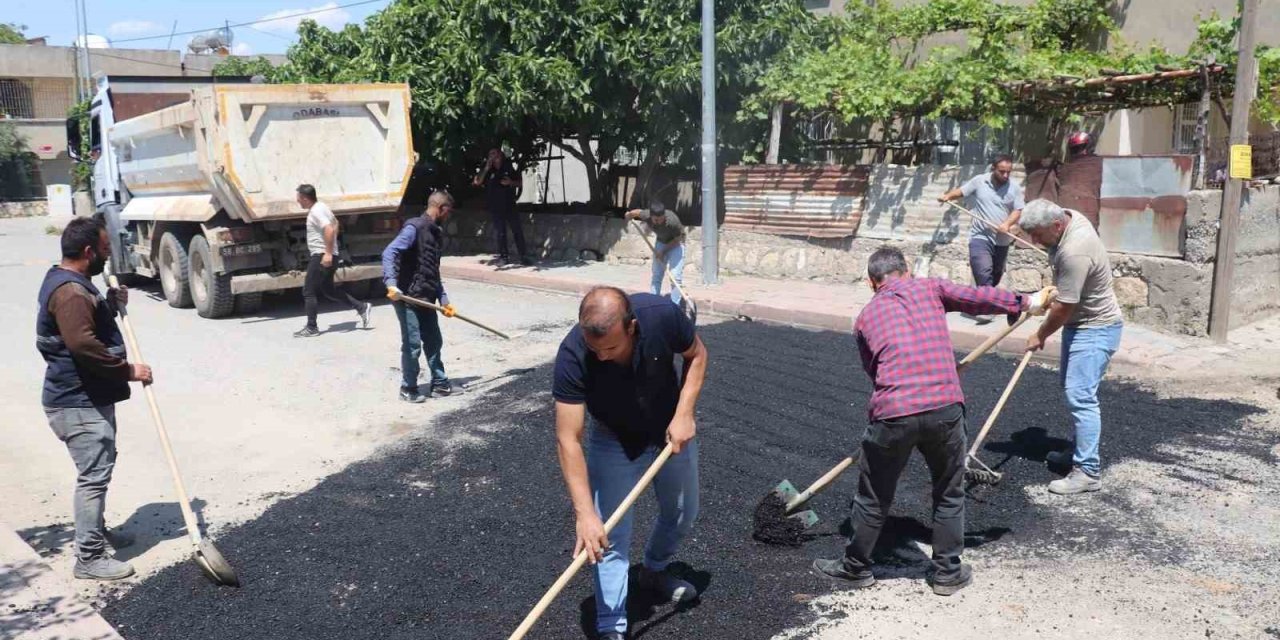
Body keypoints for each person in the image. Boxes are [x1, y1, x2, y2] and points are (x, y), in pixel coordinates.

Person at [812, 246, 1050, 595]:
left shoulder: (864, 317)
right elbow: (978, 297)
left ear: (871, 282)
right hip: (944, 407)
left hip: (893, 412)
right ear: (907, 270)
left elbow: (875, 372)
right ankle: (947, 574)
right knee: (949, 491)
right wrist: (1028, 302)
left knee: (873, 496)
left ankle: (854, 569)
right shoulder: (930, 288)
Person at [552, 287, 708, 640]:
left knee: (682, 512)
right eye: (595, 349)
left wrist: (685, 413)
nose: (602, 356)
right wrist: (585, 514)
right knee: (607, 535)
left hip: (669, 429)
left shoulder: (661, 315)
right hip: (614, 438)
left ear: (632, 327)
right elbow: (568, 439)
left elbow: (697, 354)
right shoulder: (573, 354)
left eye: (611, 347)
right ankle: (612, 626)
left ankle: (653, 571)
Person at [36, 216, 155, 580]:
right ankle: (88, 557)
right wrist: (128, 370)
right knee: (94, 477)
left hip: (85, 397)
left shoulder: (71, 284)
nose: (108, 255)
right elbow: (82, 345)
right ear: (88, 252)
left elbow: (83, 325)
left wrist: (108, 304)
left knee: (99, 468)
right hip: (76, 402)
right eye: (104, 249)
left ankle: (96, 531)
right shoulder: (71, 292)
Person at [1019, 199, 1123, 495]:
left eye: (1038, 235)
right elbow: (1065, 295)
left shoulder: (1074, 250)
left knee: (1081, 397)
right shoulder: (1070, 216)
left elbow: (1065, 307)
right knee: (1073, 389)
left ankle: (1087, 471)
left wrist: (1040, 334)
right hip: (1081, 324)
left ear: (1056, 225)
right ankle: (1078, 452)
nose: (1034, 241)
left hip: (1095, 328)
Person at [383, 191, 457, 403]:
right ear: (441, 208)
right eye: (448, 212)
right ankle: (408, 388)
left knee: (434, 341)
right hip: (407, 297)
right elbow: (389, 252)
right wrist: (391, 284)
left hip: (426, 297)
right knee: (412, 344)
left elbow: (431, 269)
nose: (448, 216)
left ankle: (440, 384)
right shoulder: (414, 228)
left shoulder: (434, 233)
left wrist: (444, 299)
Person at [938, 155, 1026, 299]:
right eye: (1002, 171)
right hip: (980, 236)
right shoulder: (979, 181)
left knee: (996, 274)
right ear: (993, 168)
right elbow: (961, 191)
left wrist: (1007, 224)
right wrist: (947, 196)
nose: (1005, 175)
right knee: (983, 272)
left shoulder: (1014, 188)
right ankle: (989, 302)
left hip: (1002, 239)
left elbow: (1018, 210)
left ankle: (983, 297)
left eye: (1008, 172)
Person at [295, 184, 372, 337]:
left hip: (321, 255)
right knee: (328, 290)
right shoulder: (322, 207)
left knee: (308, 291)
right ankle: (361, 307)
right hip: (328, 253)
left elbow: (329, 229)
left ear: (304, 198)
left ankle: (311, 327)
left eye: (298, 198)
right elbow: (335, 223)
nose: (297, 201)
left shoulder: (316, 211)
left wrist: (328, 252)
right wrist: (332, 246)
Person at [472, 148, 531, 266]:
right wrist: (486, 168)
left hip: (510, 204)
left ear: (500, 155)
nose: (493, 156)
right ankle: (503, 257)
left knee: (517, 230)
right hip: (496, 206)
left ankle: (523, 256)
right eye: (490, 154)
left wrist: (510, 183)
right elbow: (477, 182)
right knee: (500, 232)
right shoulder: (487, 169)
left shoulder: (508, 166)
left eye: (495, 154)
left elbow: (519, 183)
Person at [624, 201, 686, 305]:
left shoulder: (672, 221)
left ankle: (675, 306)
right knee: (657, 275)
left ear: (664, 215)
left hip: (677, 245)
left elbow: (678, 239)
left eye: (661, 219)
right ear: (651, 216)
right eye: (656, 220)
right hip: (661, 242)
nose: (659, 222)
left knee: (675, 277)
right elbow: (637, 212)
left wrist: (663, 252)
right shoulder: (647, 214)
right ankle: (654, 303)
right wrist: (629, 215)